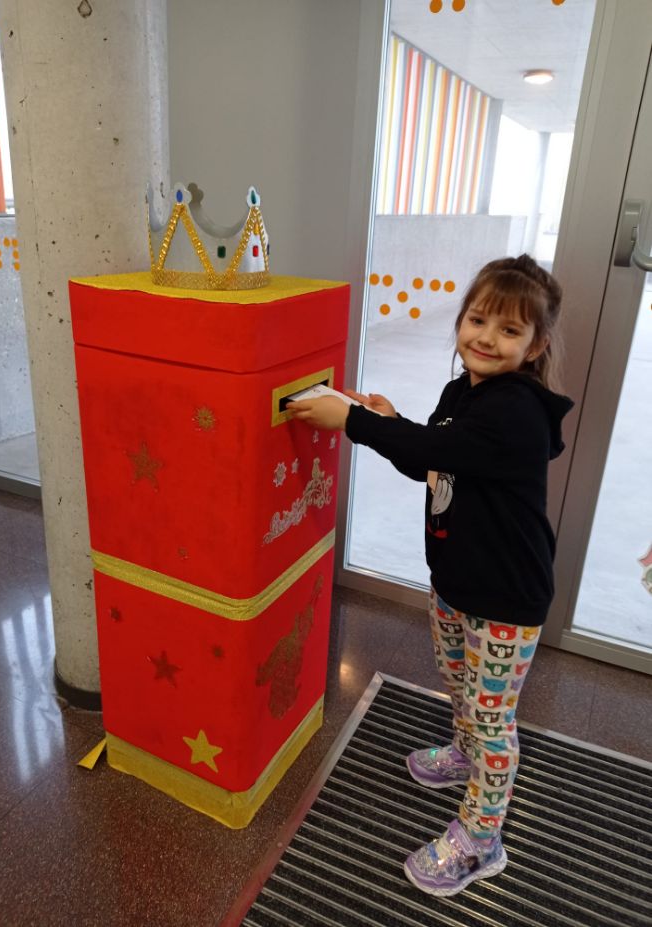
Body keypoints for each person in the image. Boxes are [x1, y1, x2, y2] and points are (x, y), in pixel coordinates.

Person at [286, 254, 574, 897]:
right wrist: (391, 422)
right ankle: (465, 754)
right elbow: (430, 462)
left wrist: (356, 423)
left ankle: (481, 839)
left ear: (535, 346)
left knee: (493, 717)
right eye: (477, 320)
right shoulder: (462, 392)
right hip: (455, 580)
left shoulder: (518, 411)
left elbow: (436, 449)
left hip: (506, 597)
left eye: (508, 330)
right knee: (459, 684)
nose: (486, 338)